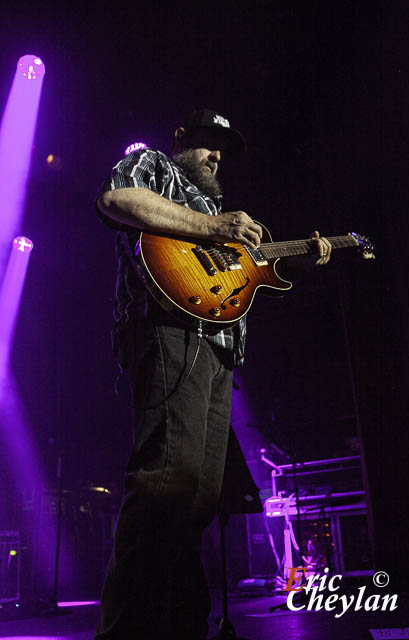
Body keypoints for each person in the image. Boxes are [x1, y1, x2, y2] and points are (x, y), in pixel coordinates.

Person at [94, 108, 331, 640]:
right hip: (168, 328)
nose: (216, 155)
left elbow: (251, 271)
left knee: (198, 497)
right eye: (207, 143)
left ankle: (180, 625)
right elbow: (117, 200)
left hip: (218, 347)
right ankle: (127, 631)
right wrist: (214, 225)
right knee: (166, 481)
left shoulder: (219, 211)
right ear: (181, 138)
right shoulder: (154, 166)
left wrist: (297, 261)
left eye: (223, 149)